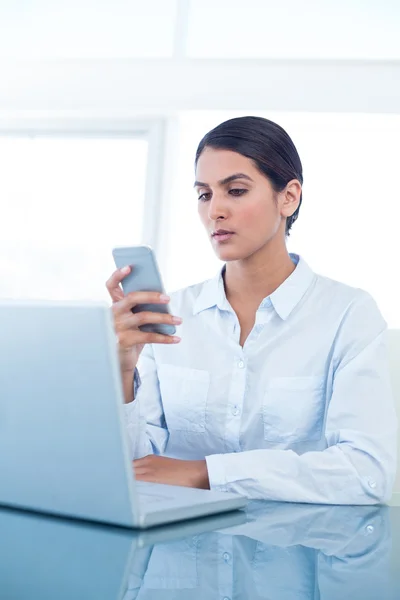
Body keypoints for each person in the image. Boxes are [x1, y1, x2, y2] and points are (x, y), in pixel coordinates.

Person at [106, 116, 397, 504]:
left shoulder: (349, 316)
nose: (215, 212)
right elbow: (137, 468)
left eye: (236, 190)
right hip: (178, 552)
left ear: (288, 197)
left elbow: (367, 474)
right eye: (204, 194)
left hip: (292, 552)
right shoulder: (171, 315)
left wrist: (205, 473)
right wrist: (122, 370)